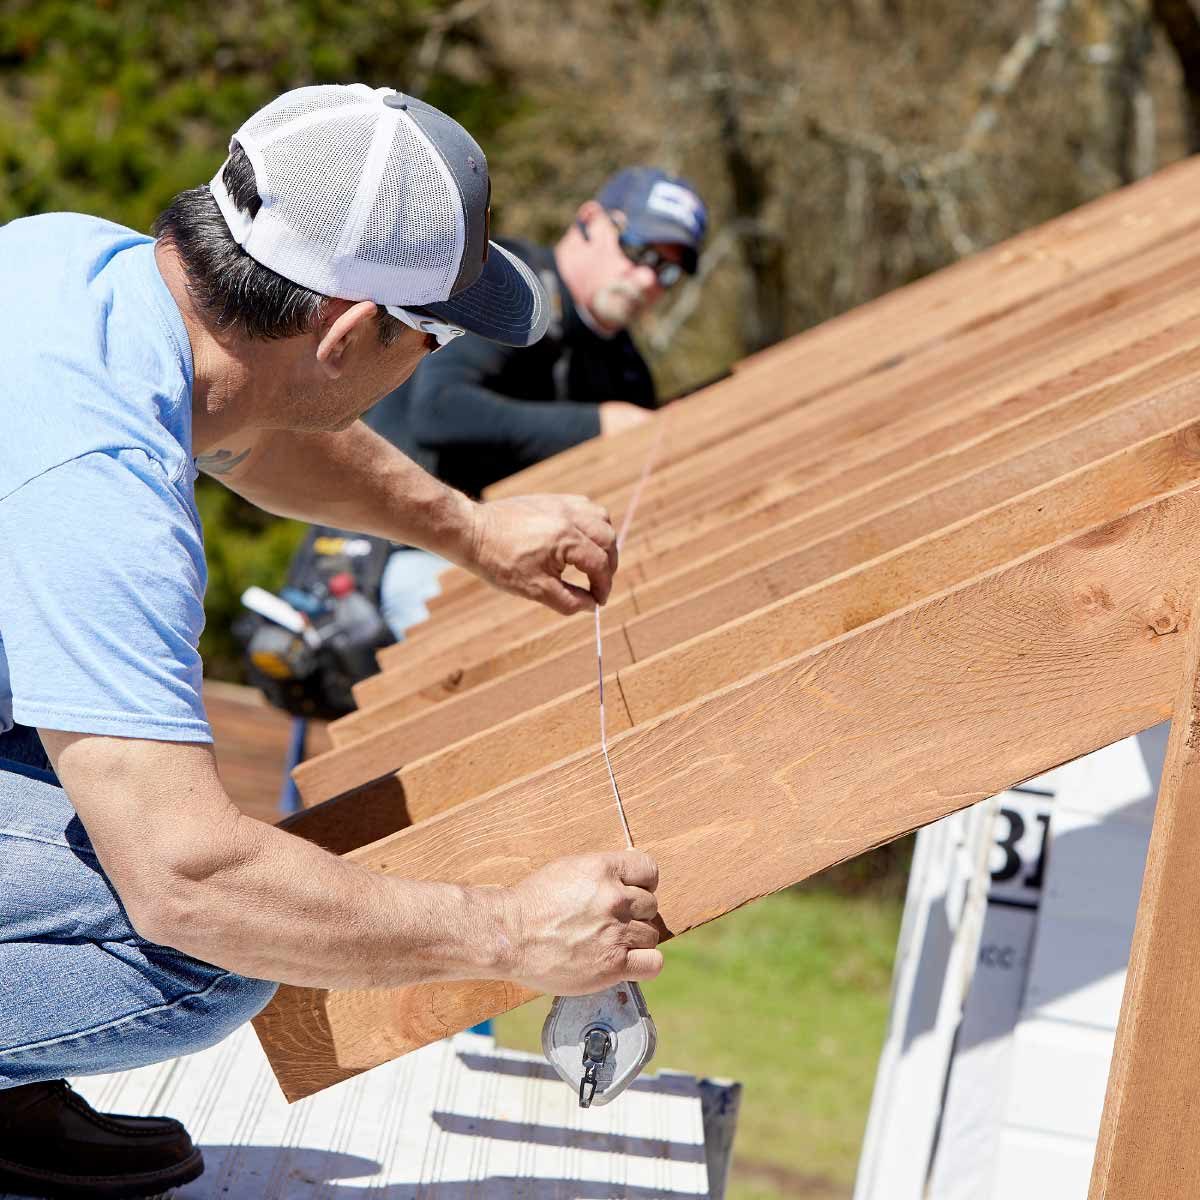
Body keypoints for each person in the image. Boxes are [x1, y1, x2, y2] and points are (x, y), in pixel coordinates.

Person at [0, 84, 663, 1198]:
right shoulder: (97, 497)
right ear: (351, 329)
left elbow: (257, 437)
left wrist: (474, 531)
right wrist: (509, 935)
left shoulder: (67, 268)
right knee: (205, 941)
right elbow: (187, 881)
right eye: (434, 335)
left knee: (157, 814)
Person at [363, 166, 708, 637]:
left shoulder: (628, 371)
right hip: (411, 554)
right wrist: (598, 424)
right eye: (640, 250)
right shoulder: (508, 288)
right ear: (590, 220)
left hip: (517, 566)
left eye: (668, 271)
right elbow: (439, 409)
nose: (648, 279)